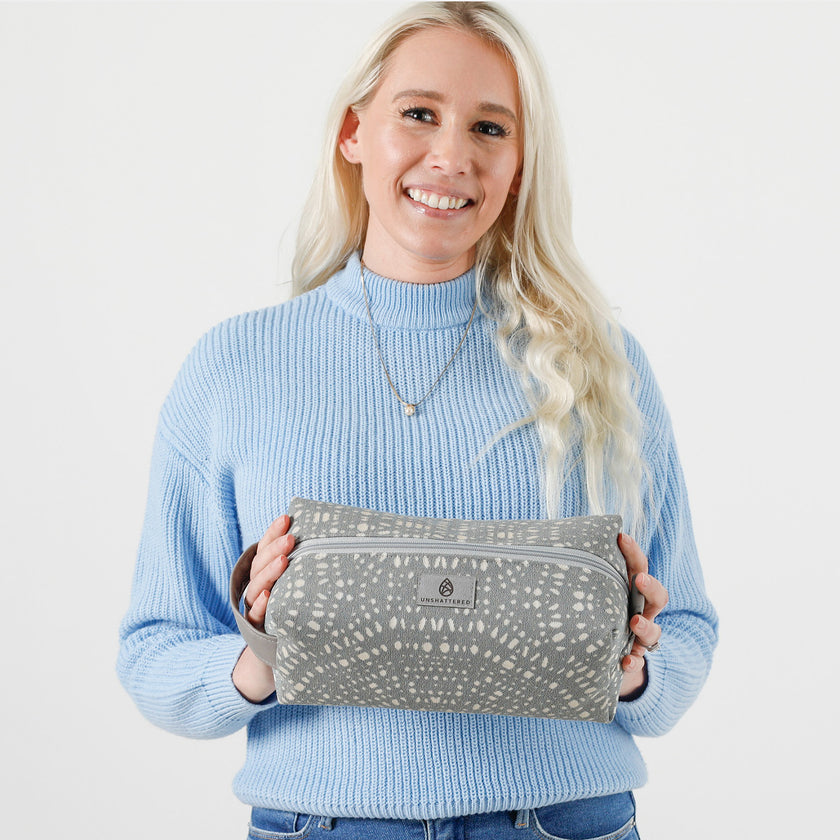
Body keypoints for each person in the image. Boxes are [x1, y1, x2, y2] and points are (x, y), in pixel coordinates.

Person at [117, 3, 718, 838]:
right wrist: (262, 657)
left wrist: (628, 669)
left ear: (519, 164)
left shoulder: (600, 365)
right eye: (420, 114)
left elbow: (685, 628)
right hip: (324, 822)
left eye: (490, 128)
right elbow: (155, 652)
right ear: (354, 132)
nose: (452, 156)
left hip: (561, 819)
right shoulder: (236, 368)